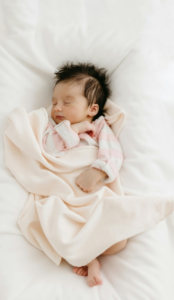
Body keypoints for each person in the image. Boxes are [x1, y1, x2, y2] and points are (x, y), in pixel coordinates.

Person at [42, 62, 128, 288]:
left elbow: (113, 152)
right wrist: (75, 130)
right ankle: (89, 258)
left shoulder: (100, 127)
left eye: (67, 102)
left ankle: (89, 254)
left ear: (92, 109)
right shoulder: (54, 129)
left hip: (93, 187)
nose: (57, 108)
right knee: (53, 220)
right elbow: (49, 150)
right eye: (54, 102)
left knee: (119, 239)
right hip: (65, 190)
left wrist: (98, 171)